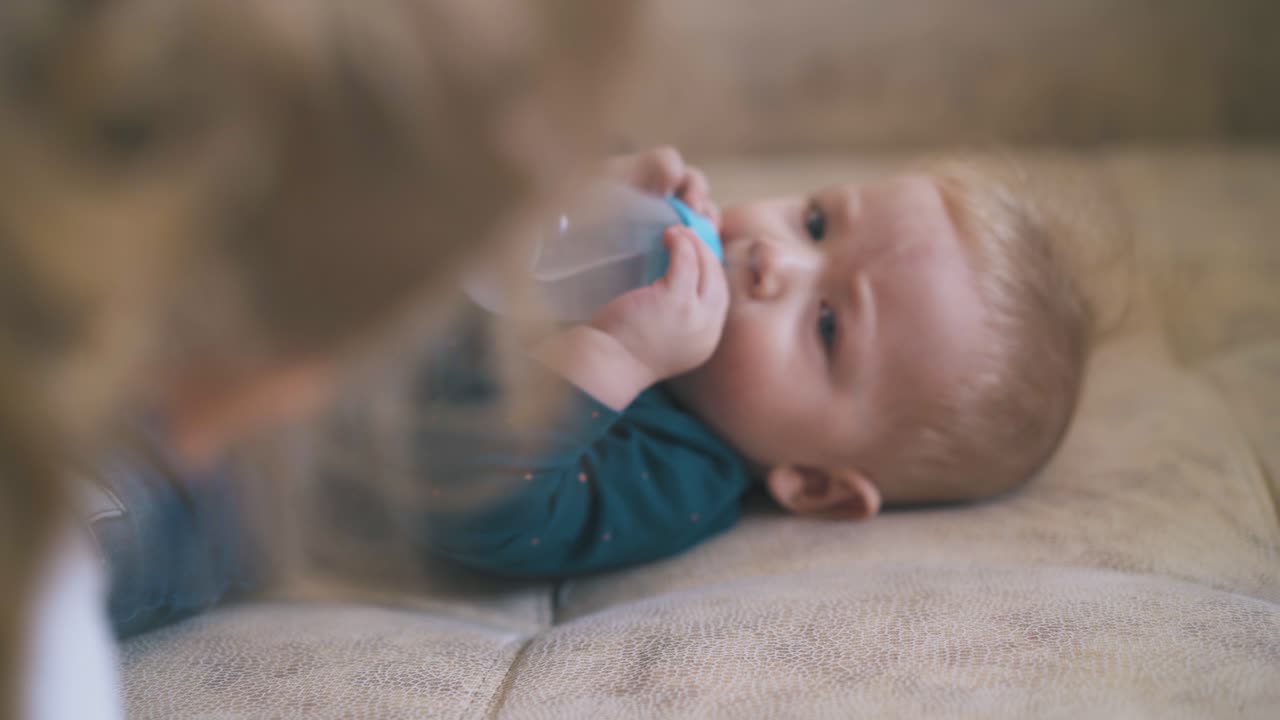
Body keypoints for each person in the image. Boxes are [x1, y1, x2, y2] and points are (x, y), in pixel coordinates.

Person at [0, 0, 639, 716]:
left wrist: (625, 359)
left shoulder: (687, 465)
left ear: (796, 481)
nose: (775, 264)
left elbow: (509, 503)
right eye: (797, 224)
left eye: (800, 329)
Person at [405, 147, 1096, 576]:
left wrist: (616, 354)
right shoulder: (655, 257)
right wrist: (595, 191)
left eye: (828, 323)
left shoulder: (678, 476)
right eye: (817, 222)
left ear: (815, 484)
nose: (774, 255)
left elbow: (471, 503)